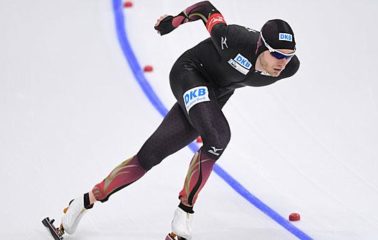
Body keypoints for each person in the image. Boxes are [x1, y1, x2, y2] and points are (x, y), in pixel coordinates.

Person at [55, 1, 300, 240]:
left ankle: (83, 201)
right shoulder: (233, 40)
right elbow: (206, 8)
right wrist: (174, 21)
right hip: (190, 73)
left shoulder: (289, 68)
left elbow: (276, 64)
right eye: (277, 54)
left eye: (289, 56)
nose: (283, 62)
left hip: (216, 93)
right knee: (219, 136)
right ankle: (185, 212)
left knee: (149, 156)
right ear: (260, 46)